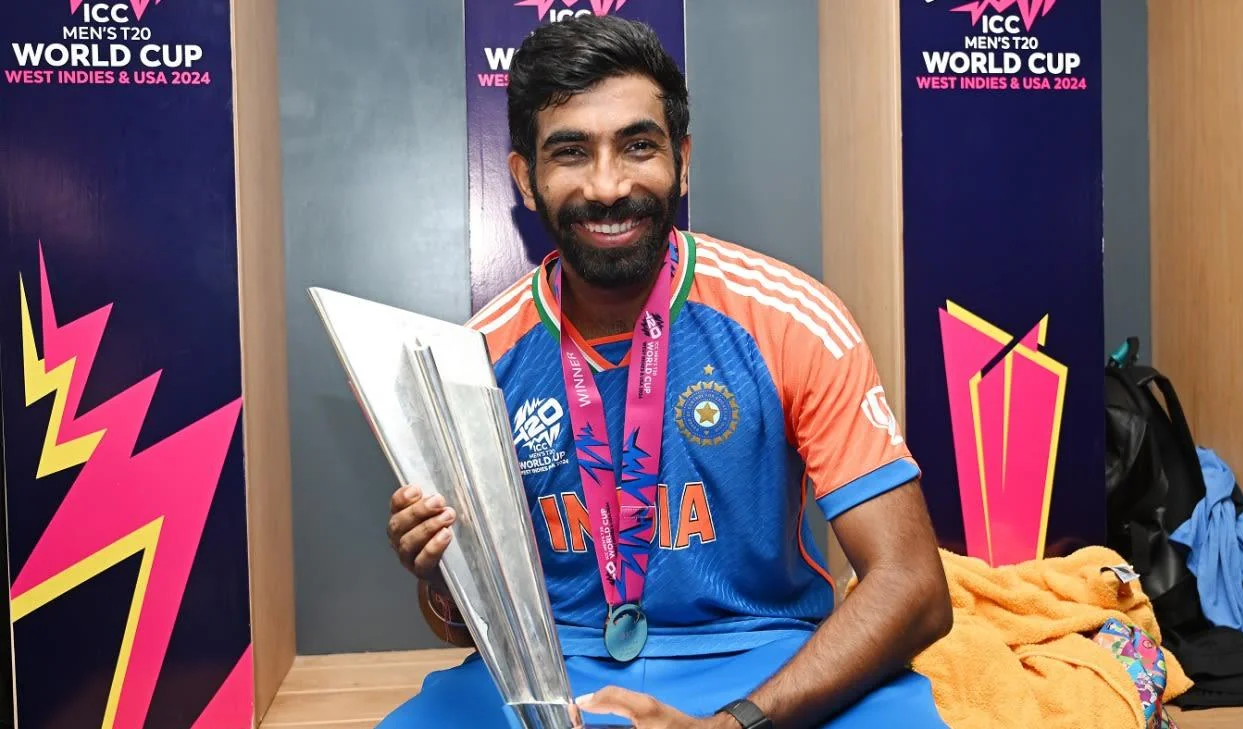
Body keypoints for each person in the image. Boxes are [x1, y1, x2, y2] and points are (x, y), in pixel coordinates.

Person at [379, 15, 953, 729]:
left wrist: (737, 724)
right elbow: (463, 629)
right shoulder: (473, 359)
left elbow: (914, 585)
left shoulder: (791, 318)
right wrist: (438, 572)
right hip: (559, 669)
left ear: (682, 160)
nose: (608, 185)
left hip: (768, 661)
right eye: (571, 153)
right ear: (526, 179)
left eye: (638, 146)